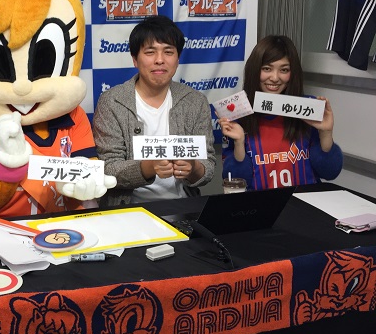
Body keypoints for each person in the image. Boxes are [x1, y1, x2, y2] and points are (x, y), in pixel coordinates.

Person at [93, 15, 215, 206]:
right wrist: (147, 167)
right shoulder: (112, 101)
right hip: (128, 211)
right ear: (135, 59)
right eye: (150, 52)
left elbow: (208, 165)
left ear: (178, 59)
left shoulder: (195, 101)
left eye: (168, 52)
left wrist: (194, 168)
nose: (160, 60)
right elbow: (108, 168)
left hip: (183, 208)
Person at [219, 35, 343, 190]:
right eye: (267, 69)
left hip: (304, 200)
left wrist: (326, 133)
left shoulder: (307, 108)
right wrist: (239, 143)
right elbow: (234, 180)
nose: (275, 78)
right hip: (259, 203)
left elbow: (330, 173)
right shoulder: (238, 113)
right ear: (254, 70)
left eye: (284, 70)